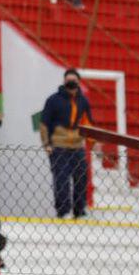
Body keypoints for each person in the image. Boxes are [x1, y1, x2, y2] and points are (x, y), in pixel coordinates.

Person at [39, 68, 92, 219]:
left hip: (77, 146)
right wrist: (46, 144)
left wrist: (92, 142)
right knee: (61, 179)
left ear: (79, 82)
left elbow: (89, 123)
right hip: (59, 145)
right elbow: (44, 124)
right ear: (63, 81)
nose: (71, 83)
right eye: (68, 80)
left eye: (73, 81)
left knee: (81, 178)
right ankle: (63, 211)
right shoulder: (53, 100)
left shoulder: (83, 101)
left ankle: (79, 210)